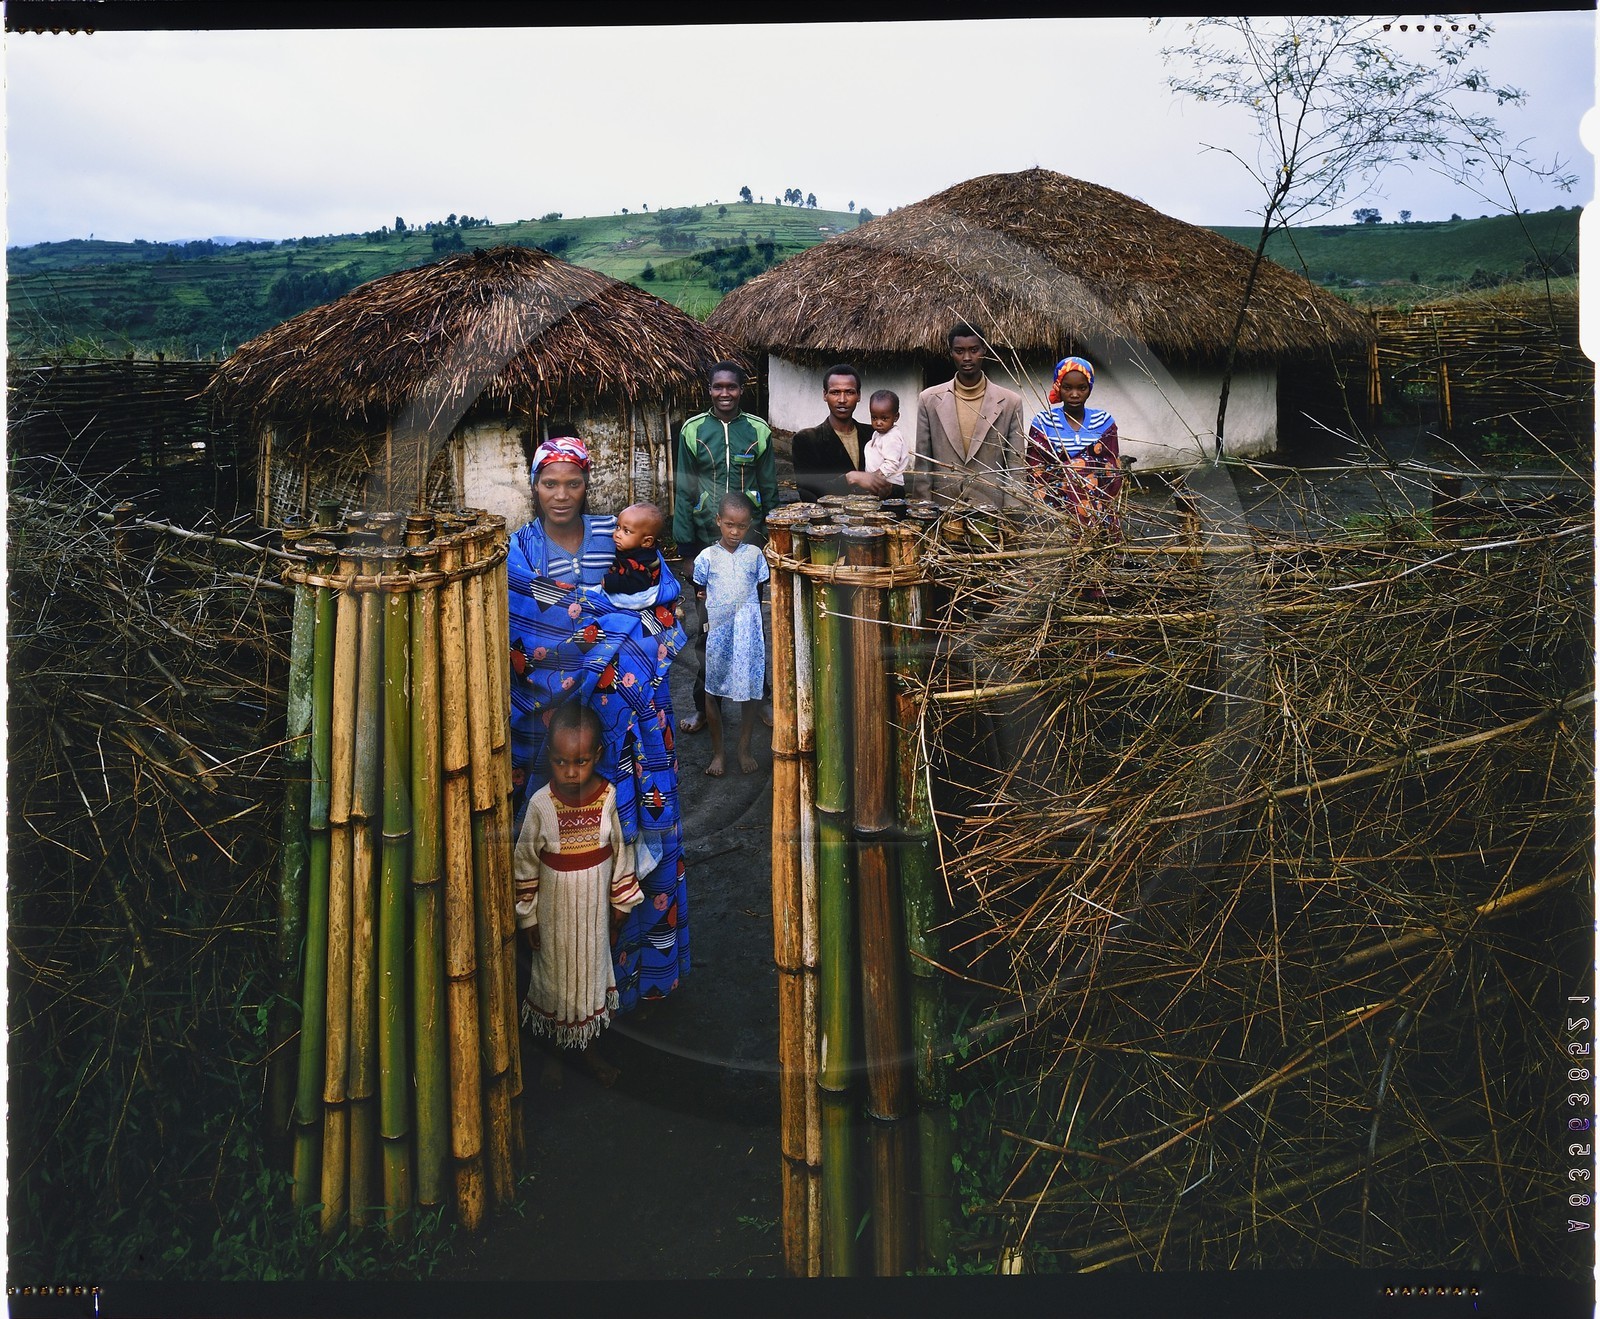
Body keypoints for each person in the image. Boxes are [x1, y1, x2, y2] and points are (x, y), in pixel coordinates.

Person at [507, 435, 690, 1014]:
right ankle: (563, 992)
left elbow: (665, 607)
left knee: (630, 851)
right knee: (557, 856)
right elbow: (522, 622)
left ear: (589, 486)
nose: (561, 495)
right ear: (533, 486)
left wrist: (610, 632)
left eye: (573, 482)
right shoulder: (520, 549)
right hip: (555, 732)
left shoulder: (620, 534)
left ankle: (632, 982)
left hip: (627, 728)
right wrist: (592, 622)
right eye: (548, 482)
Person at [516, 701, 642, 1087]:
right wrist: (528, 915)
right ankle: (556, 1054)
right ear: (549, 758)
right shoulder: (540, 805)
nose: (571, 772)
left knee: (589, 978)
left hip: (592, 917)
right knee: (554, 980)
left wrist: (621, 901)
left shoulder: (608, 800)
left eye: (582, 762)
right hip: (554, 918)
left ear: (598, 756)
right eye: (560, 762)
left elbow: (623, 851)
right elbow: (524, 863)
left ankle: (588, 1050)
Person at [672, 360, 777, 735]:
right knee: (708, 629)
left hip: (749, 546)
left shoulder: (759, 431)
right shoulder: (693, 430)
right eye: (718, 387)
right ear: (709, 389)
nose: (725, 393)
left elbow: (770, 489)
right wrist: (686, 550)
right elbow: (683, 491)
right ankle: (703, 707)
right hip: (706, 543)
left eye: (731, 387)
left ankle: (760, 699)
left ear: (742, 388)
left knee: (753, 627)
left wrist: (768, 539)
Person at [692, 492, 770, 777]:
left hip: (748, 633)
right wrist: (706, 626)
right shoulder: (707, 557)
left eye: (742, 526)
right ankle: (718, 753)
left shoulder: (755, 555)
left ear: (749, 525)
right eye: (729, 525)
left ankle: (744, 747)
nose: (735, 532)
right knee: (713, 689)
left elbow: (762, 586)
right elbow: (699, 592)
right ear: (718, 522)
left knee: (749, 690)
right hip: (719, 632)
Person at [909, 322, 1027, 508]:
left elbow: (1015, 466)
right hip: (944, 510)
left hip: (991, 512)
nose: (967, 357)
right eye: (959, 351)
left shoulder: (1010, 403)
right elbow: (923, 465)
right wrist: (923, 513)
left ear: (984, 350)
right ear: (951, 353)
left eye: (974, 350)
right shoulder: (929, 400)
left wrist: (1012, 515)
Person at [1026, 355, 1123, 528]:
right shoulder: (1044, 422)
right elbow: (1036, 471)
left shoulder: (1103, 421)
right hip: (1057, 512)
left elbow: (1112, 469)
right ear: (1058, 387)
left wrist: (1081, 469)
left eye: (1082, 388)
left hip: (1098, 510)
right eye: (1067, 388)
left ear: (1090, 388)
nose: (1075, 394)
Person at [790, 363, 893, 502]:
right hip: (829, 521)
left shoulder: (874, 435)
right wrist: (850, 478)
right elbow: (808, 490)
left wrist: (888, 488)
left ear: (859, 395)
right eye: (835, 392)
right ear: (825, 395)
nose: (842, 400)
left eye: (849, 392)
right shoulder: (806, 440)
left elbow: (898, 483)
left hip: (875, 519)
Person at [603, 501, 666, 607]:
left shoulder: (644, 561)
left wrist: (610, 582)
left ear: (646, 542)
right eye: (618, 527)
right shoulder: (630, 549)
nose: (618, 534)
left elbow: (637, 583)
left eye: (626, 531)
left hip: (642, 599)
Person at [865, 389, 911, 488]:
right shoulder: (878, 434)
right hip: (879, 483)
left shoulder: (892, 437)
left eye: (884, 418)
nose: (878, 423)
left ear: (896, 417)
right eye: (874, 418)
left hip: (891, 485)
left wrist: (872, 477)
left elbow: (891, 464)